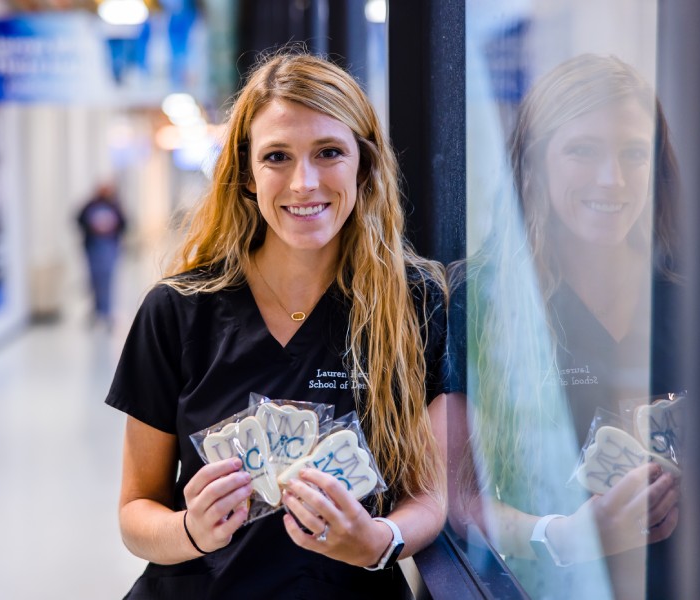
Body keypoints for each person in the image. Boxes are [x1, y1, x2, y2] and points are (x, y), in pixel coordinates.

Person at [104, 50, 454, 599]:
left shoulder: (412, 305)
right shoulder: (178, 309)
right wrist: (190, 530)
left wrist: (377, 541)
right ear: (245, 173)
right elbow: (135, 512)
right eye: (277, 157)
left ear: (364, 163)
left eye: (329, 152)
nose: (303, 182)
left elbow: (430, 498)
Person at [447, 54, 684, 599]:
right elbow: (454, 497)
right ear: (534, 164)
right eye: (583, 150)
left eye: (634, 153)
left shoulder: (682, 300)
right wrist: (567, 537)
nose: (614, 178)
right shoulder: (482, 300)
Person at [76, 181, 127, 327]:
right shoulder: (90, 206)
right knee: (94, 280)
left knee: (107, 279)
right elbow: (78, 219)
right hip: (93, 248)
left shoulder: (114, 206)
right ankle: (97, 310)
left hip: (110, 247)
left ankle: (106, 311)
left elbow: (125, 224)